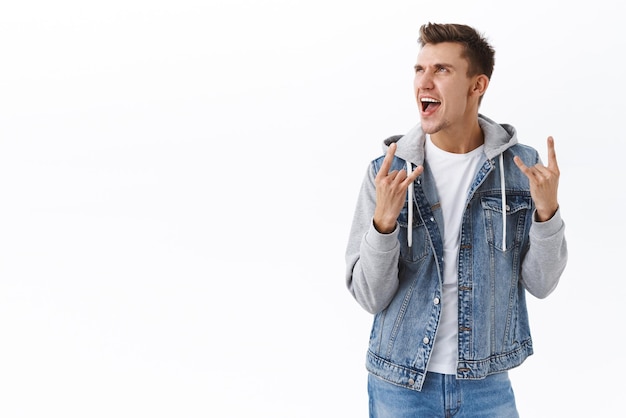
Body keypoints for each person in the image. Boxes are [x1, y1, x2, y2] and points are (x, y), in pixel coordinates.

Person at [345, 23, 567, 417]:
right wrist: (383, 225)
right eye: (419, 69)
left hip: (487, 387)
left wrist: (547, 215)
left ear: (477, 85)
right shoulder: (387, 173)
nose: (423, 82)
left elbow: (541, 284)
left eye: (441, 70)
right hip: (400, 385)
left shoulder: (521, 170)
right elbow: (369, 296)